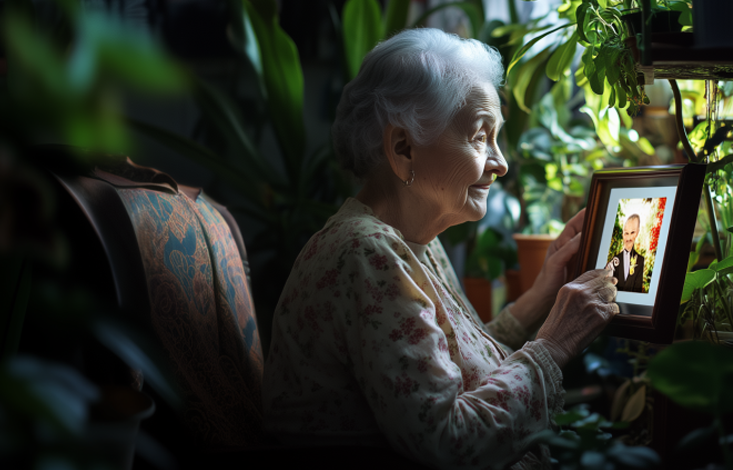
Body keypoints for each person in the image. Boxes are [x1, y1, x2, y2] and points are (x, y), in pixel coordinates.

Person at [261, 29, 619, 470]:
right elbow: (448, 442)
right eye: (480, 136)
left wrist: (541, 298)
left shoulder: (411, 242)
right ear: (403, 148)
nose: (501, 162)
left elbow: (447, 371)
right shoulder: (365, 253)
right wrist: (555, 344)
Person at [610, 214, 645, 293]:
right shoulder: (615, 260)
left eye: (632, 233)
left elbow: (637, 290)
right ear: (622, 234)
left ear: (637, 233)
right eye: (626, 233)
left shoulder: (640, 260)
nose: (628, 238)